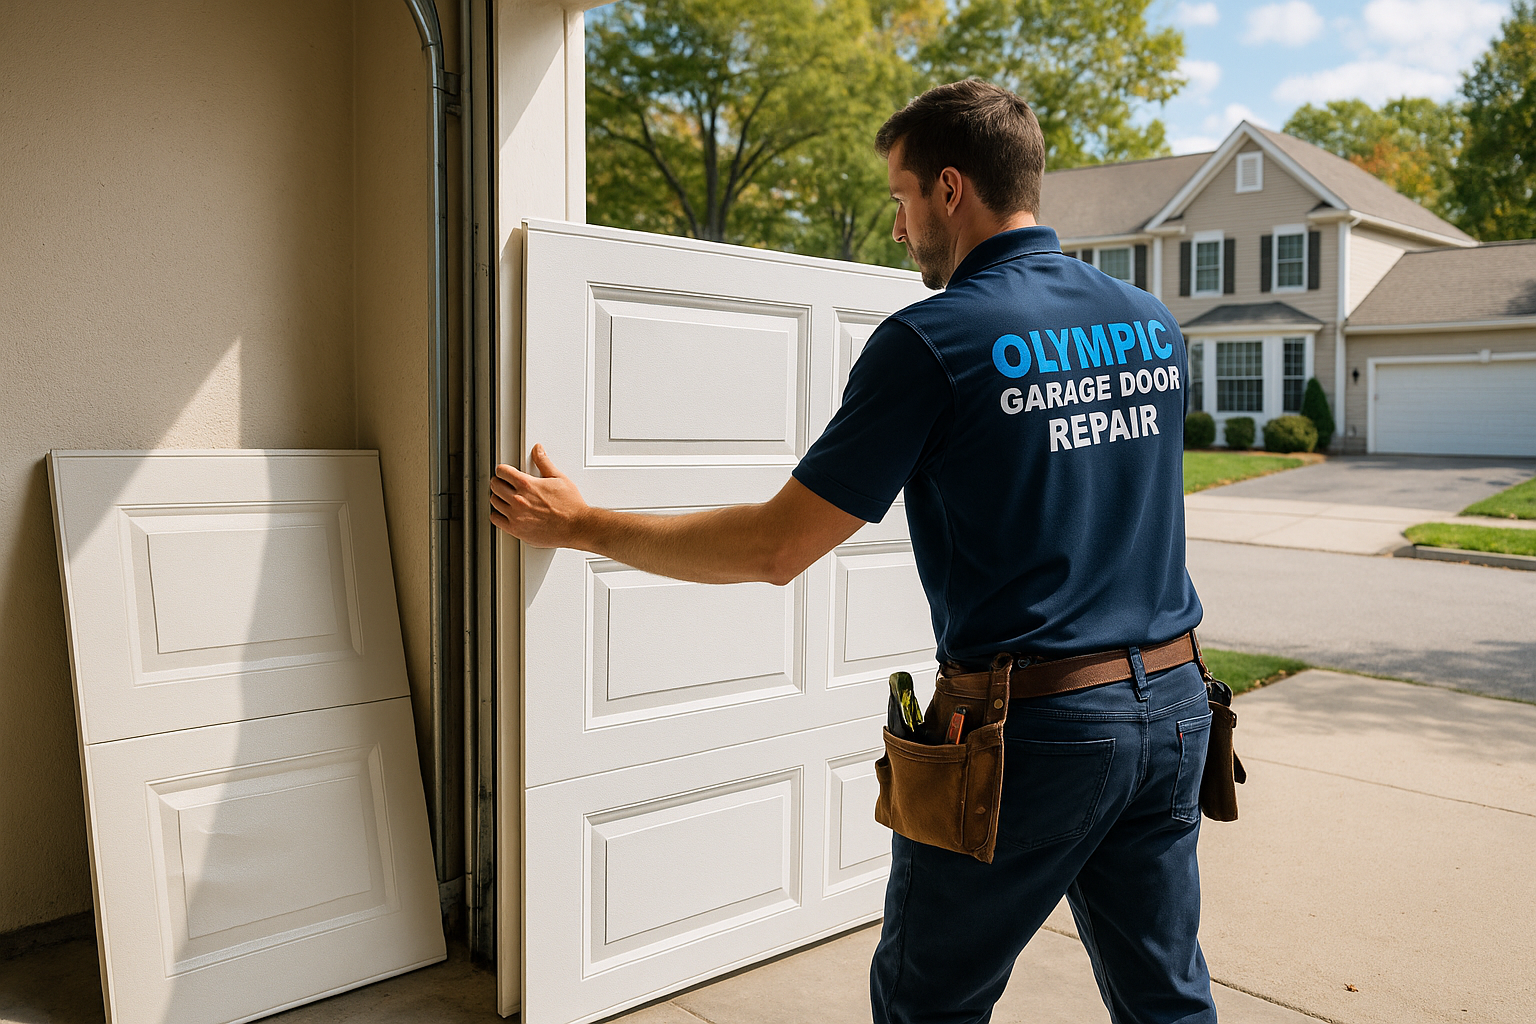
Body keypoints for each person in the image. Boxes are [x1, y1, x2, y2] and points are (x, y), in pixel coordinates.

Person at [489, 79, 1215, 1024]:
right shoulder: (1150, 323)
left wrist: (583, 525)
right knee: (1168, 1002)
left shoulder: (937, 338)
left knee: (926, 1004)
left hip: (1034, 734)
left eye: (902, 198)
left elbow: (775, 546)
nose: (899, 226)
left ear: (951, 189)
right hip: (1176, 706)